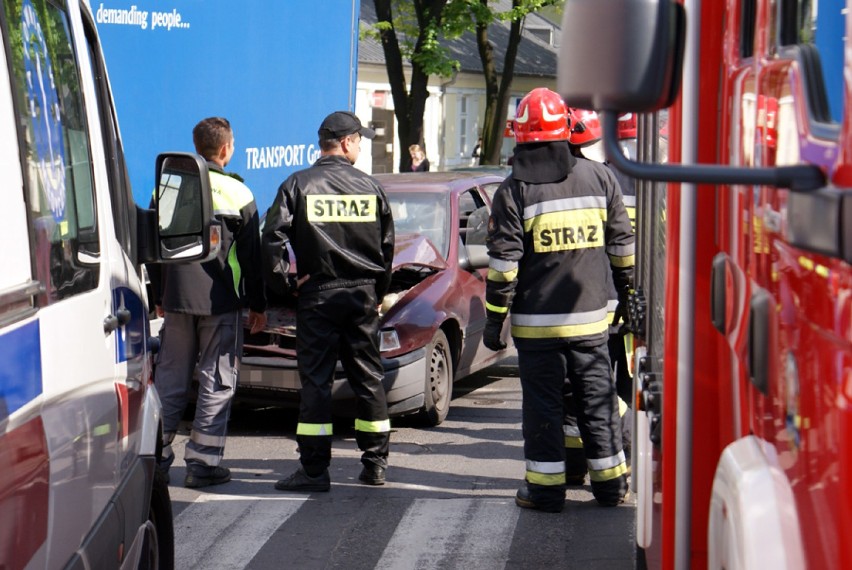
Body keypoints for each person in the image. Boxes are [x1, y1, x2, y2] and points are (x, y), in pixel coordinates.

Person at [483, 88, 633, 513]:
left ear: (520, 138)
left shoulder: (513, 191)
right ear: (567, 131)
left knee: (544, 407)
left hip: (536, 327)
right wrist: (629, 297)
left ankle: (546, 491)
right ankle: (610, 487)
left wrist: (495, 322)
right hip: (590, 322)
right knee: (597, 401)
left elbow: (503, 268)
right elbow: (623, 248)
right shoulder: (600, 177)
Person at [262, 111, 395, 492]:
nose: (361, 147)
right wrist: (376, 292)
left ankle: (315, 471)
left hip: (317, 297)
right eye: (360, 141)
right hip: (362, 295)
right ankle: (375, 464)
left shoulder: (298, 184)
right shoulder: (371, 187)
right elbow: (387, 249)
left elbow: (271, 238)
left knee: (316, 383)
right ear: (348, 142)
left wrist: (286, 286)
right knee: (369, 379)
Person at [151, 116, 267, 489]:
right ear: (225, 149)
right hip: (221, 302)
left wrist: (159, 297)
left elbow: (153, 247)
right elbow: (253, 257)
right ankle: (202, 464)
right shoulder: (239, 194)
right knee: (216, 380)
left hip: (176, 300)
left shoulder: (167, 187)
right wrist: (259, 305)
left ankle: (155, 458)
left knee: (169, 379)